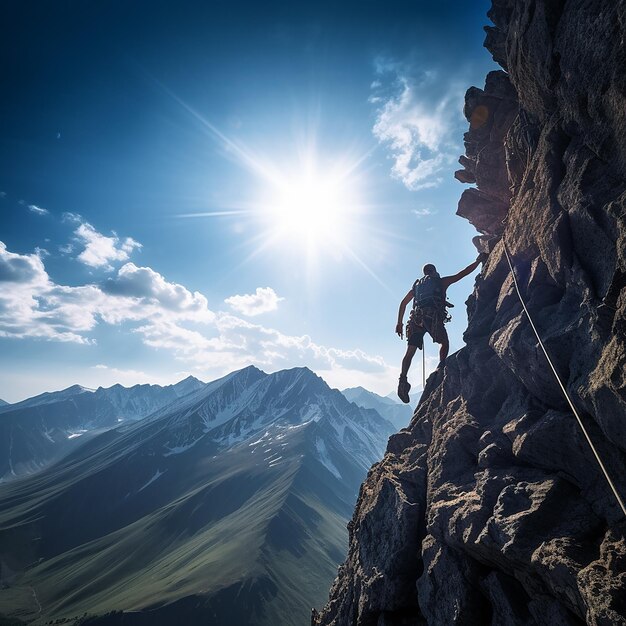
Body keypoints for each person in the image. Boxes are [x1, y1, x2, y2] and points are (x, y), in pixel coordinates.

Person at [395, 254, 487, 403]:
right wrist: (478, 261)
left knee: (410, 352)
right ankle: (441, 367)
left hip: (415, 320)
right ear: (434, 271)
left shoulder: (417, 286)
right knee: (444, 342)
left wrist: (399, 323)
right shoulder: (441, 282)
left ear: (425, 273)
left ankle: (402, 380)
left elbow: (403, 303)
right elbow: (462, 273)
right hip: (432, 318)